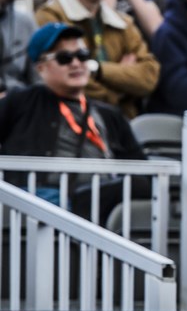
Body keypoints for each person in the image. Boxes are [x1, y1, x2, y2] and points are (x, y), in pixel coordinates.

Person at [0, 22, 145, 200]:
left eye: (82, 55)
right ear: (41, 68)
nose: (76, 63)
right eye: (64, 58)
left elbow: (142, 171)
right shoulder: (22, 101)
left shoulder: (109, 115)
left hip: (102, 201)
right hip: (41, 204)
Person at [36, 0, 160, 119]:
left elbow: (149, 77)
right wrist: (122, 87)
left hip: (122, 124)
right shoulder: (50, 17)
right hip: (71, 121)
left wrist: (97, 69)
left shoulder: (123, 22)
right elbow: (63, 81)